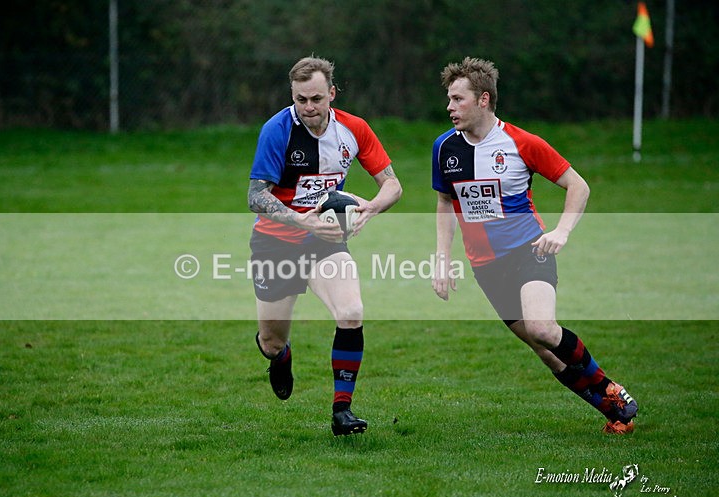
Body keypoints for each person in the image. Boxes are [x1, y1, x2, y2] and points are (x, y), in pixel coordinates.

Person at [431, 57, 637, 434]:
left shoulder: (522, 142)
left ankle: (609, 388)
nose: (449, 107)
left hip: (530, 251)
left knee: (543, 329)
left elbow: (579, 186)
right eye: (448, 99)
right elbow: (445, 202)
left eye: (458, 99)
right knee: (546, 354)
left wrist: (561, 231)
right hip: (486, 268)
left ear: (483, 100)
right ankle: (614, 413)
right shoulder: (444, 148)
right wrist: (442, 258)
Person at [248, 56, 402, 436]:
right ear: (293, 96)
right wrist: (299, 218)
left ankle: (342, 411)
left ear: (331, 93)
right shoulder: (277, 130)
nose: (309, 108)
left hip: (325, 241)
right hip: (275, 243)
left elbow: (393, 185)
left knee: (351, 310)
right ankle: (280, 356)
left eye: (317, 98)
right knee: (270, 340)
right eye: (301, 100)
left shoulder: (354, 130)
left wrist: (370, 209)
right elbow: (255, 196)